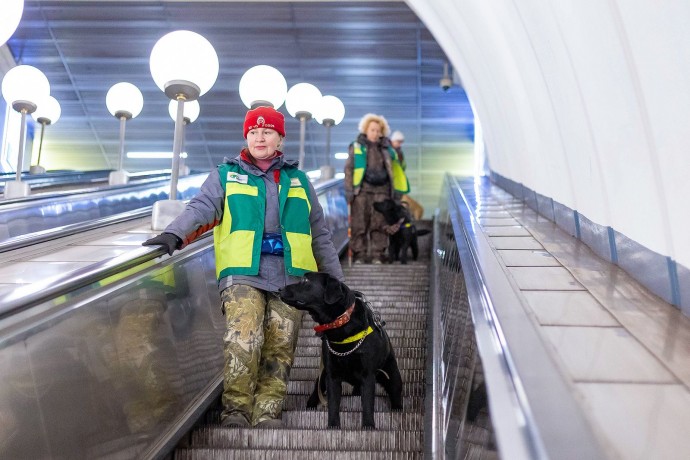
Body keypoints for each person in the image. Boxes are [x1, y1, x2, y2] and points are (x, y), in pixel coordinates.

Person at [142, 106, 344, 428]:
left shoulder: (299, 180)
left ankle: (268, 411)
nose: (259, 137)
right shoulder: (226, 174)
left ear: (280, 138)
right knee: (243, 336)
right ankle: (236, 409)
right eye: (253, 132)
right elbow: (202, 207)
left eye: (267, 132)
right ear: (246, 137)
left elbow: (319, 234)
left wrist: (336, 282)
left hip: (291, 276)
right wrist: (174, 233)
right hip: (243, 271)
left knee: (281, 342)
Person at [344, 114, 409, 264]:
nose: (375, 133)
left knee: (380, 224)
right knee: (359, 223)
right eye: (372, 130)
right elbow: (349, 169)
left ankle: (377, 254)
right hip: (362, 191)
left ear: (382, 132)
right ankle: (359, 254)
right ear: (366, 130)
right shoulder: (357, 146)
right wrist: (348, 189)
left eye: (378, 131)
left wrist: (397, 192)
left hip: (382, 191)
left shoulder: (388, 149)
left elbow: (399, 168)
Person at [390, 130, 424, 220]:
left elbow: (402, 168)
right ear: (392, 140)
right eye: (398, 142)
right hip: (392, 188)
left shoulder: (399, 154)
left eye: (401, 142)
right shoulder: (389, 153)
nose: (400, 144)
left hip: (398, 187)